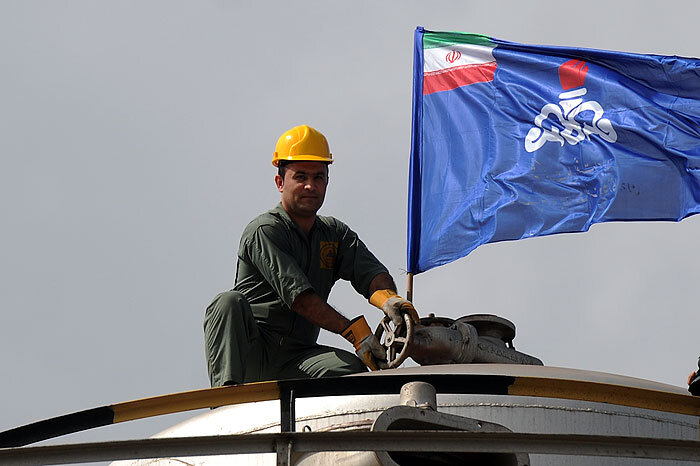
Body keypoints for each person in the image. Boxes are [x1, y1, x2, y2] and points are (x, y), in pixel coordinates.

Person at [203, 124, 419, 387]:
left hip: (297, 357)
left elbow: (372, 274)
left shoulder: (334, 234)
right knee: (228, 303)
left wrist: (389, 300)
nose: (310, 186)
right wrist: (354, 332)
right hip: (252, 352)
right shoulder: (265, 230)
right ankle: (226, 397)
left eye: (318, 177)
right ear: (280, 182)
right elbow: (301, 299)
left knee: (351, 370)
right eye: (301, 177)